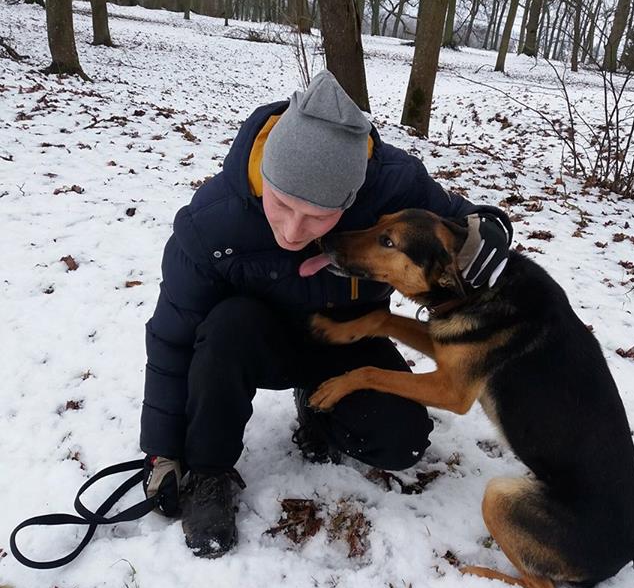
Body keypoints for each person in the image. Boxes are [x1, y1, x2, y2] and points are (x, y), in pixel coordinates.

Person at [141, 70, 511, 558]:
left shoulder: (393, 187)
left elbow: (470, 220)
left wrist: (482, 244)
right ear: (264, 181)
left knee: (401, 442)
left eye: (318, 215)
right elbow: (171, 338)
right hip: (254, 342)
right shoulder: (212, 220)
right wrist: (163, 451)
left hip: (347, 336)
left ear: (352, 198)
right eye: (281, 205)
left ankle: (318, 409)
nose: (294, 230)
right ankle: (209, 473)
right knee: (225, 327)